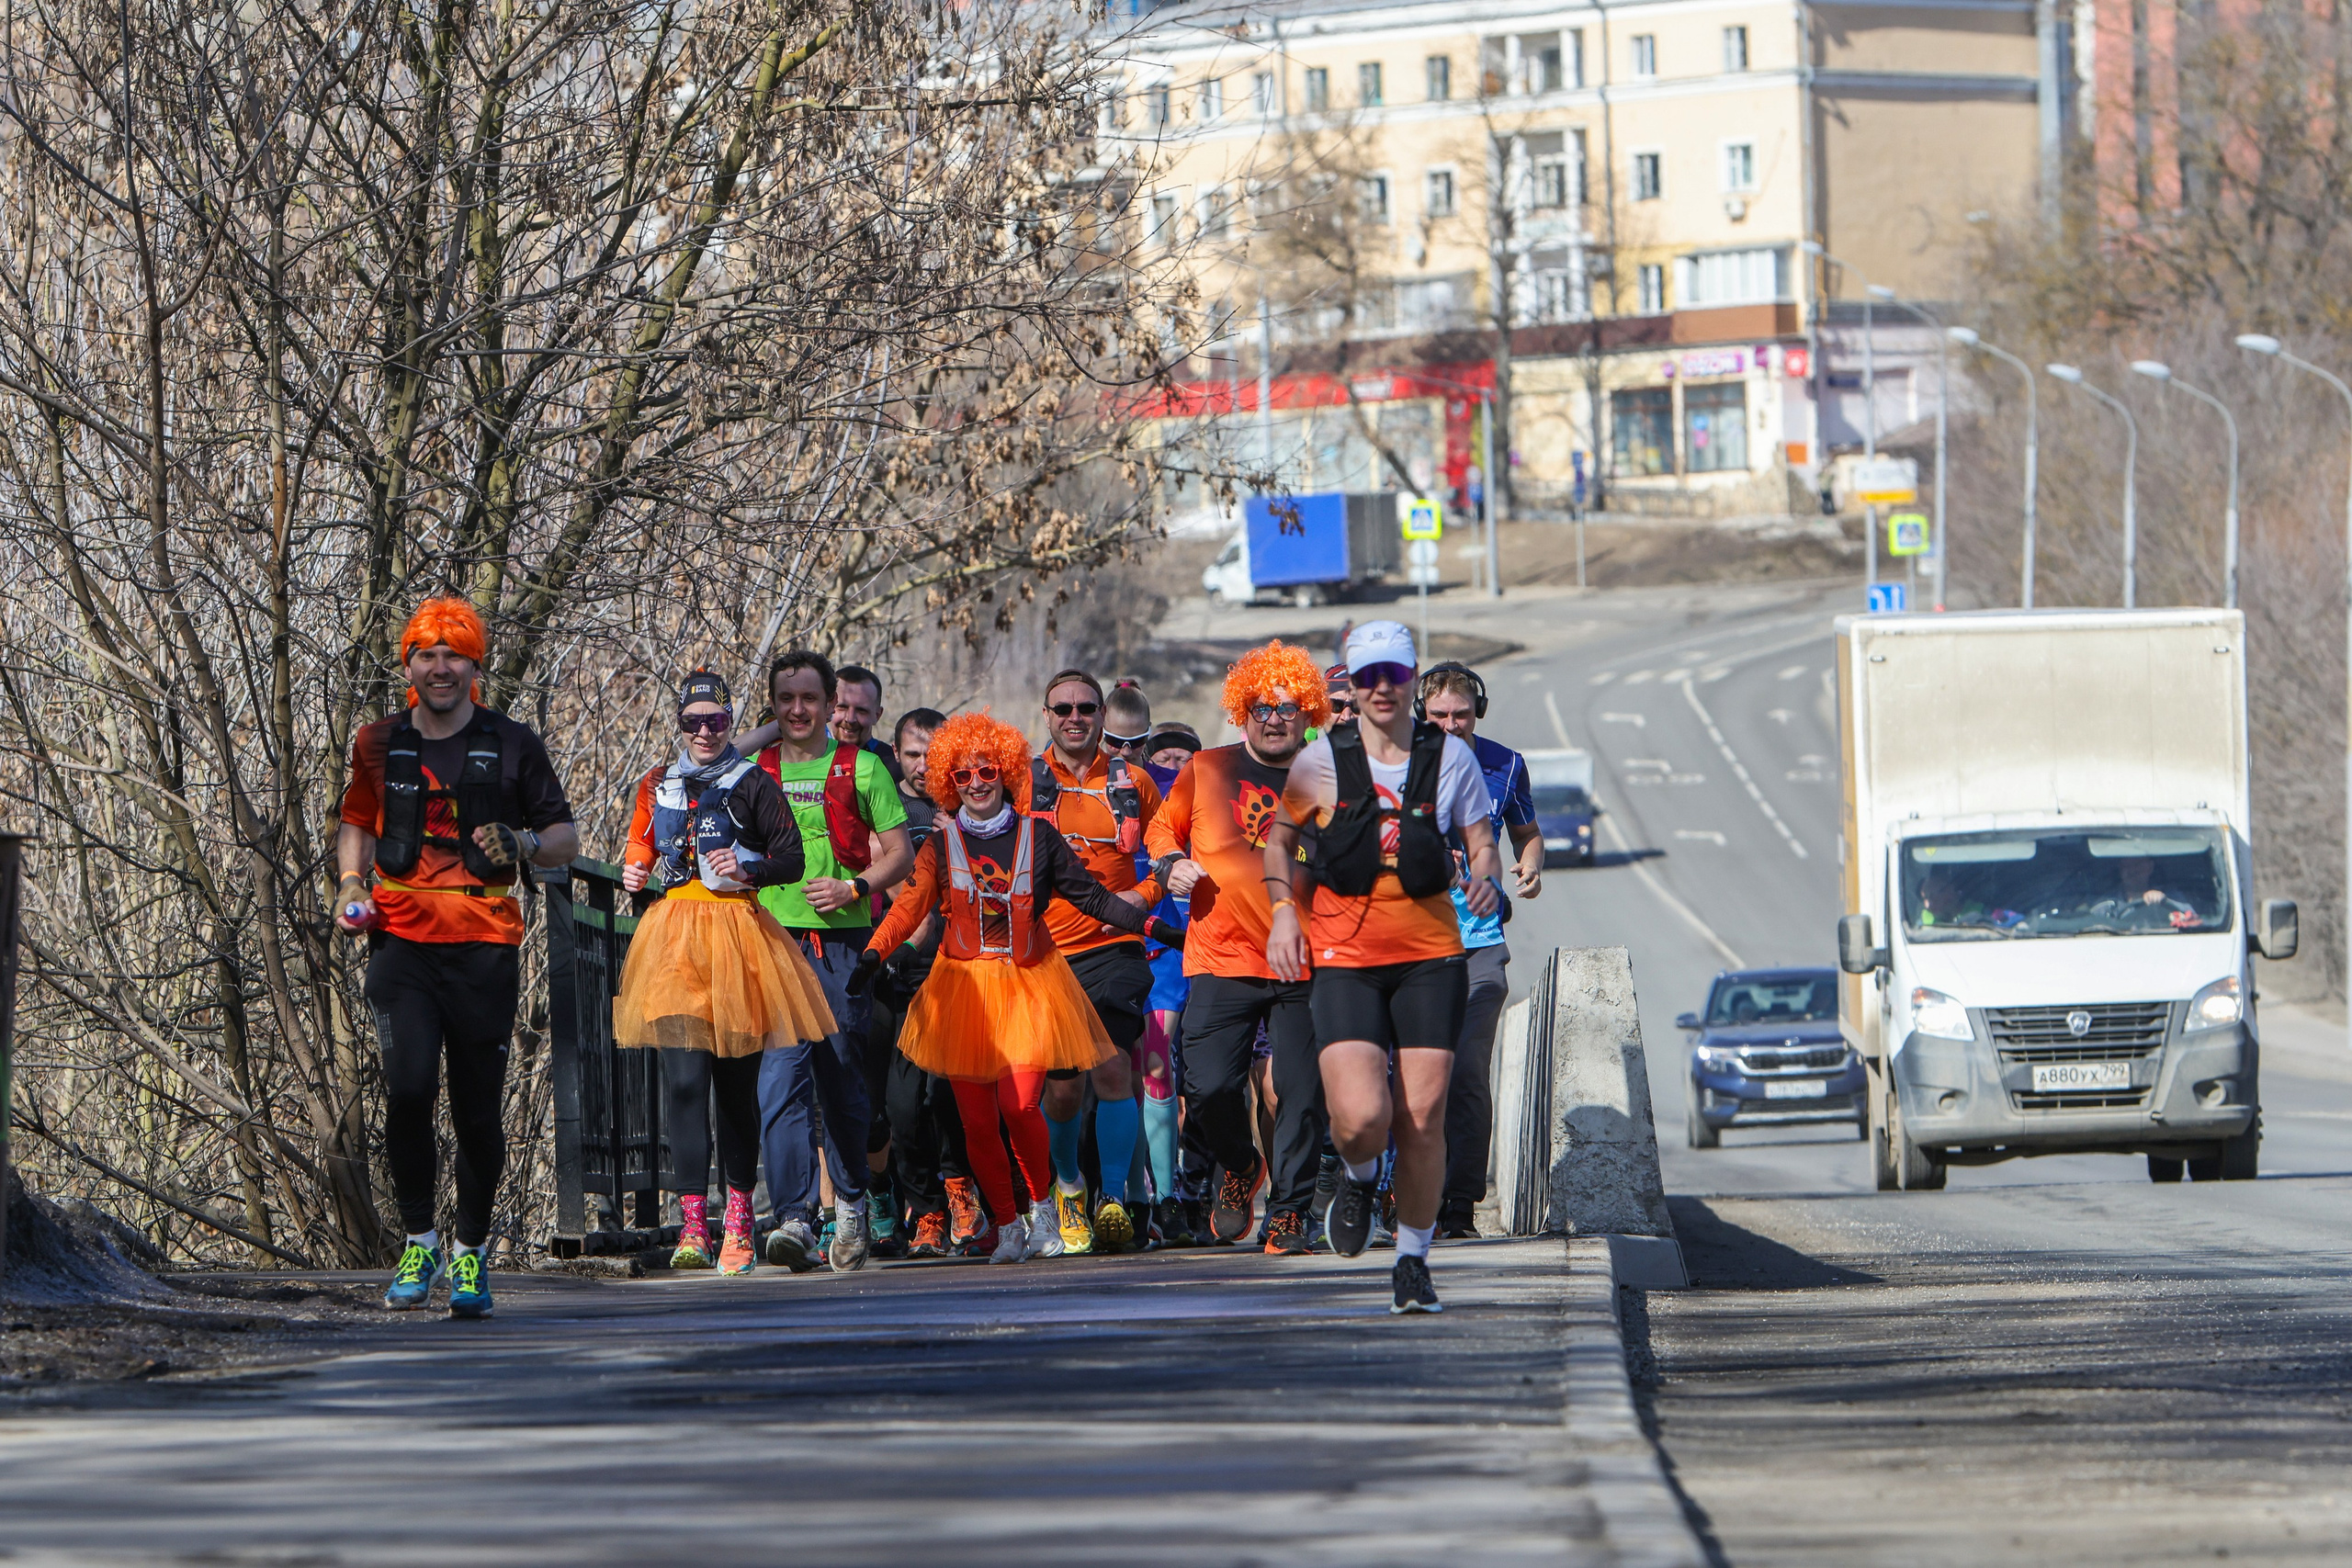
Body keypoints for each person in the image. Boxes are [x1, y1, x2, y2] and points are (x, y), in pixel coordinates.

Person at [853, 713, 1183, 1263]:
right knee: (978, 1122)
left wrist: (1155, 927)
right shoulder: (941, 844)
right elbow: (907, 911)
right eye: (962, 775)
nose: (976, 783)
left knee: (1021, 1105)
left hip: (1030, 985)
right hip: (963, 991)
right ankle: (1007, 1225)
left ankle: (1044, 1209)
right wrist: (871, 957)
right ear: (949, 782)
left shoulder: (1039, 836)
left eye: (986, 771)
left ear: (1004, 773)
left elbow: (1093, 898)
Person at [336, 598, 578, 1319]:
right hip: (401, 939)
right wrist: (350, 883)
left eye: (454, 655)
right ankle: (420, 1243)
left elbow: (563, 836)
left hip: (483, 942)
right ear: (408, 665)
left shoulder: (513, 743)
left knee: (476, 1109)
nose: (440, 668)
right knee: (408, 1090)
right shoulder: (376, 742)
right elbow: (356, 821)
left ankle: (470, 1253)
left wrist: (525, 843)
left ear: (476, 665)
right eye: (427, 655)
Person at [1265, 621, 1502, 1314]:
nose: (1380, 689)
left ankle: (1412, 1259)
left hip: (1431, 954)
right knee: (1362, 1116)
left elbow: (1481, 839)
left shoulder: (1450, 758)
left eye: (1393, 675)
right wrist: (1284, 913)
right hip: (1346, 956)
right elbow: (1280, 842)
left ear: (1410, 679)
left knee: (1421, 1115)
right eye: (1367, 676)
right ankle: (1361, 1173)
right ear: (1353, 682)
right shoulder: (1320, 761)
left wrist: (1484, 876)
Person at [614, 670, 835, 1273]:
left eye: (715, 720)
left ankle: (738, 1217)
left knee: (735, 1086)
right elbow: (641, 844)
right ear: (680, 724)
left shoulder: (752, 781)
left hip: (737, 935)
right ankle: (693, 1224)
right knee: (684, 1083)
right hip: (673, 939)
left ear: (730, 721)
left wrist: (747, 868)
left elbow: (792, 857)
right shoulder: (657, 782)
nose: (705, 732)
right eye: (693, 721)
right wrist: (634, 869)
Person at [1147, 639, 1331, 1255]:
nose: (1274, 718)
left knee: (1301, 1092)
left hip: (1304, 961)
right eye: (1261, 707)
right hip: (1220, 957)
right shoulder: (1207, 769)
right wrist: (1170, 862)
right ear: (1241, 709)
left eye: (1287, 707)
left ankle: (1289, 1214)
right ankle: (1241, 1162)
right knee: (1205, 1087)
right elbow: (1159, 829)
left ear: (1307, 712)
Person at [741, 649, 914, 1273]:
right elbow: (713, 757)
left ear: (830, 703)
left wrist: (854, 887)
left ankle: (850, 1200)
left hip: (841, 943)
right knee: (779, 1079)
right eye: (785, 699)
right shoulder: (754, 769)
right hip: (774, 939)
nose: (798, 710)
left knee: (840, 1076)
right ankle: (794, 1216)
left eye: (809, 698)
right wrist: (774, 729)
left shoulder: (864, 768)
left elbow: (901, 855)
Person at [1033, 669, 1165, 1256]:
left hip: (1115, 949)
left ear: (1102, 716)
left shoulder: (1134, 781)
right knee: (1062, 1092)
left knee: (1113, 1072)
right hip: (1047, 956)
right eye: (1062, 709)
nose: (1075, 718)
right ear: (1046, 715)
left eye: (1086, 708)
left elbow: (1167, 854)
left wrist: (1142, 897)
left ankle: (1114, 1198)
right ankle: (1069, 1188)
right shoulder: (1022, 782)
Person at [1418, 663, 1545, 1240]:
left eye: (1461, 715)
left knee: (1467, 1072)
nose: (1450, 725)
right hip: (1408, 942)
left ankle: (1459, 1207)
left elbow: (1526, 834)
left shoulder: (1506, 764)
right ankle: (1399, 1197)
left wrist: (1531, 866)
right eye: (1438, 716)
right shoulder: (1393, 765)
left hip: (1479, 943)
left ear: (1479, 713)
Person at [871, 707, 983, 1258]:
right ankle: (925, 1209)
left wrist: (958, 841)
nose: (922, 766)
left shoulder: (968, 803)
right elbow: (889, 882)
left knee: (949, 1091)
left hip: (961, 970)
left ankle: (960, 1190)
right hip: (900, 970)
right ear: (895, 754)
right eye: (912, 755)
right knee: (901, 1104)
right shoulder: (884, 807)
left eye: (932, 756)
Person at [1102, 680, 1155, 770]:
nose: (1126, 752)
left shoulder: (1171, 778)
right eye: (1116, 741)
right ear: (1102, 730)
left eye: (1136, 742)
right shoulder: (1086, 777)